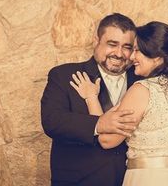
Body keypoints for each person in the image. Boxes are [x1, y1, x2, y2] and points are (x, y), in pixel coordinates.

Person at [71, 21, 168, 186]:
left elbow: (107, 140)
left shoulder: (142, 90)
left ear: (156, 57)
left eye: (137, 50)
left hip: (153, 180)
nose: (131, 56)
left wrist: (91, 97)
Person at [40, 13, 141, 186]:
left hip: (130, 180)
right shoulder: (64, 75)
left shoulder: (143, 82)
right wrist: (98, 124)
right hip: (79, 180)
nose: (119, 53)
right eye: (112, 44)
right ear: (96, 41)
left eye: (126, 47)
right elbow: (52, 121)